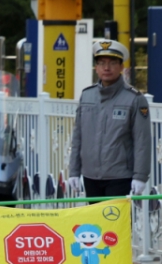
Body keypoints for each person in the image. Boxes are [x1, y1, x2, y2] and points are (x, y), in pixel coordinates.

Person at [66, 39, 154, 199]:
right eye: (101, 63)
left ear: (121, 67)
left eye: (113, 63)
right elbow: (78, 137)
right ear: (96, 67)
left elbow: (142, 141)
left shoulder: (134, 98)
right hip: (90, 176)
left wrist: (140, 176)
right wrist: (74, 171)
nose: (106, 68)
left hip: (119, 176)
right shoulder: (87, 95)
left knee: (114, 222)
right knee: (95, 223)